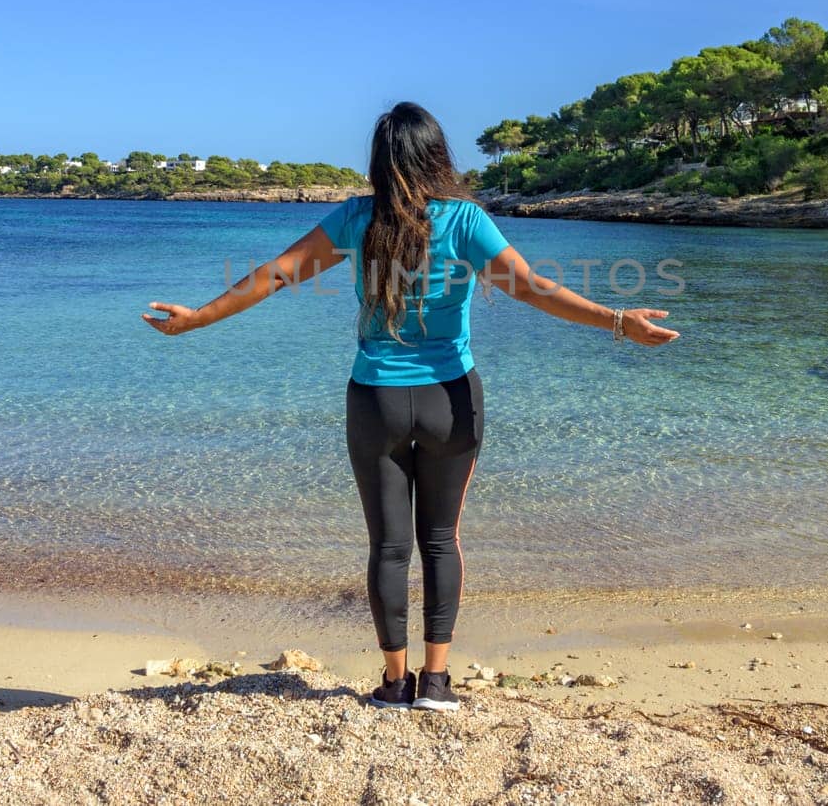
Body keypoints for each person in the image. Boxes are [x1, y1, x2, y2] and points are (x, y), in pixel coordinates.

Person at [142, 102, 678, 711]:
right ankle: (437, 683)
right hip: (451, 397)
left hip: (376, 401)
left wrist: (199, 318)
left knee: (389, 547)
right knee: (442, 541)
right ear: (437, 156)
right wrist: (616, 321)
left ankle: (394, 683)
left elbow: (274, 276)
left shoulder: (356, 219)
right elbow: (534, 289)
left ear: (379, 160)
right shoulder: (467, 221)